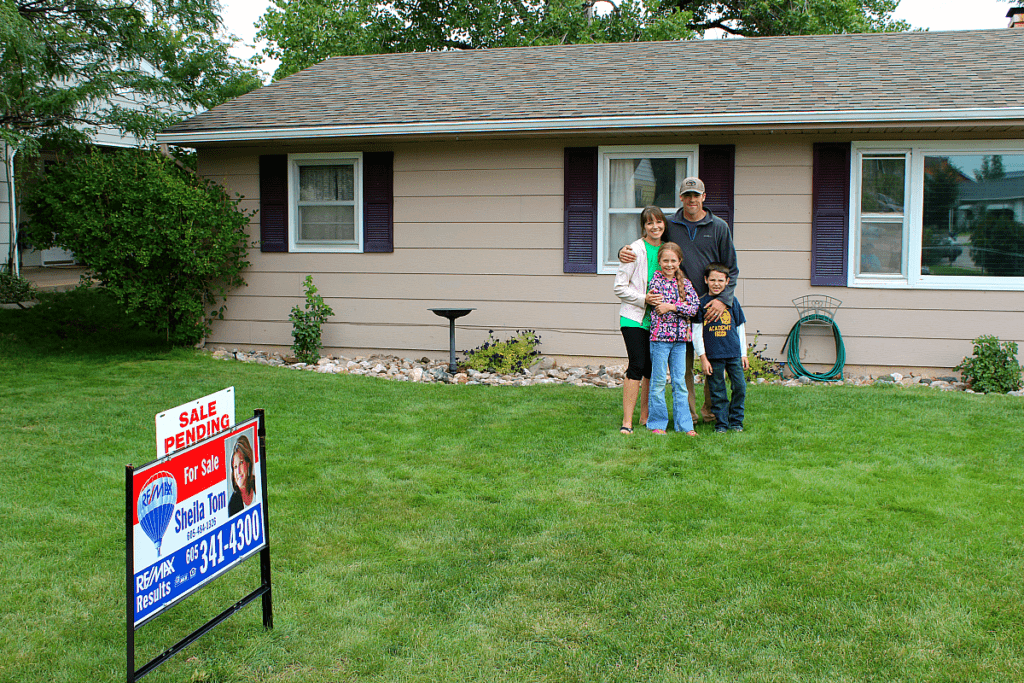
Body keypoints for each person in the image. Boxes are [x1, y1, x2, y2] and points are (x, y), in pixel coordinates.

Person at [619, 176, 739, 426]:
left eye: (697, 195)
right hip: (676, 313)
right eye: (687, 195)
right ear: (681, 198)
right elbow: (652, 240)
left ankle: (712, 411)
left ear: (704, 197)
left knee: (712, 362)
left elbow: (732, 269)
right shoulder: (671, 224)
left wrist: (723, 300)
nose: (692, 199)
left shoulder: (719, 227)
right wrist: (624, 250)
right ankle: (690, 415)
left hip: (709, 307)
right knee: (682, 367)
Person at [613, 206, 667, 434]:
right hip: (633, 318)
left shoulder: (667, 249)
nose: (655, 227)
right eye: (649, 223)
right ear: (643, 226)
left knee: (651, 368)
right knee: (636, 365)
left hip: (658, 320)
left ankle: (645, 416)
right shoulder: (634, 250)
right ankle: (627, 422)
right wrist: (643, 299)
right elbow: (619, 287)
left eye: (659, 222)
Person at [646, 242, 700, 436]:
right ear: (659, 261)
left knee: (680, 382)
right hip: (660, 339)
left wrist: (672, 307)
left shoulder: (685, 283)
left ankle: (685, 425)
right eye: (665, 260)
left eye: (673, 260)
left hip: (680, 341)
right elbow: (657, 305)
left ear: (680, 261)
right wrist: (679, 305)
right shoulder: (656, 281)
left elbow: (694, 308)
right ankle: (657, 424)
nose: (669, 264)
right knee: (659, 382)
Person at [692, 263, 749, 433]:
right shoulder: (701, 303)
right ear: (706, 280)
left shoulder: (732, 302)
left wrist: (743, 354)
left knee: (739, 387)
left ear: (727, 282)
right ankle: (722, 424)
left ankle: (736, 421)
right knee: (717, 391)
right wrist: (703, 357)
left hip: (733, 354)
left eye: (720, 280)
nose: (716, 283)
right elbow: (696, 333)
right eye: (713, 280)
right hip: (713, 356)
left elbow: (740, 328)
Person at [228, 435, 256, 517]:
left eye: (241, 463)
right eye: (235, 467)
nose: (238, 472)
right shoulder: (233, 504)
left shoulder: (256, 484)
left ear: (248, 463)